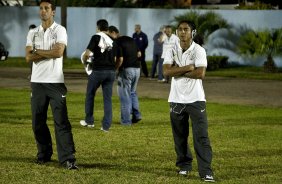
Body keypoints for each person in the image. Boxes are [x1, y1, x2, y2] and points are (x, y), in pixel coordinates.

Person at [25, 0, 77, 169]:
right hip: (37, 83)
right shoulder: (33, 33)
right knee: (37, 122)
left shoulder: (60, 30)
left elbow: (59, 52)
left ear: (53, 12)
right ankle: (44, 154)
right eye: (40, 8)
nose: (43, 11)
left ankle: (67, 159)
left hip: (55, 82)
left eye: (46, 8)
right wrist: (47, 53)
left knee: (61, 122)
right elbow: (28, 57)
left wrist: (37, 51)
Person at [163, 20, 215, 182]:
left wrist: (176, 71)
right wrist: (187, 68)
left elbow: (200, 74)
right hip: (176, 99)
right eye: (180, 29)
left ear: (192, 32)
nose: (182, 32)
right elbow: (166, 71)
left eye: (186, 29)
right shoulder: (170, 48)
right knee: (180, 136)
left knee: (201, 136)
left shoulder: (198, 50)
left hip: (196, 99)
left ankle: (206, 171)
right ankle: (184, 166)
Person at [79, 19, 117, 132]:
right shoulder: (113, 40)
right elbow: (115, 58)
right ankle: (106, 126)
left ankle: (89, 121)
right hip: (111, 72)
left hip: (98, 71)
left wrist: (85, 62)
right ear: (107, 28)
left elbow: (87, 54)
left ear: (98, 27)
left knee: (90, 95)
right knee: (107, 99)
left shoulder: (96, 37)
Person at [108, 26, 142, 125]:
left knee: (124, 96)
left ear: (113, 33)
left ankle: (126, 121)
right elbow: (139, 54)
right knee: (132, 92)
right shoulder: (131, 40)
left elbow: (120, 59)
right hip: (137, 69)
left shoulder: (117, 42)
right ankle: (137, 115)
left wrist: (114, 69)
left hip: (126, 70)